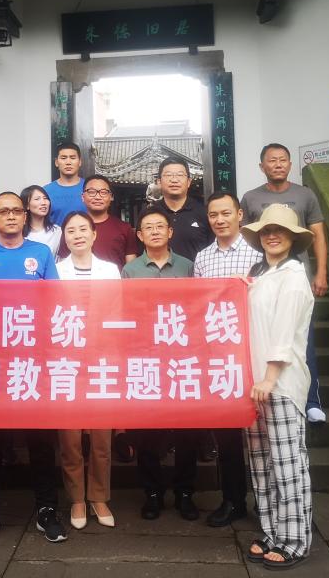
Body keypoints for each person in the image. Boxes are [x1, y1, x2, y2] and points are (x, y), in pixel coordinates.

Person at [0, 192, 67, 547]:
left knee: (41, 440)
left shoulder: (42, 254)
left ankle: (47, 509)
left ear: (25, 217)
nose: (10, 216)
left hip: (34, 360)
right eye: (3, 211)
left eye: (16, 211)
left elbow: (57, 303)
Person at [240, 204, 315, 569]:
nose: (272, 236)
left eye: (280, 231)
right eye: (267, 231)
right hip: (254, 384)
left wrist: (269, 378)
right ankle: (272, 532)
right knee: (261, 463)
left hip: (280, 384)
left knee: (287, 464)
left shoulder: (294, 277)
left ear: (293, 238)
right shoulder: (263, 275)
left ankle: (295, 540)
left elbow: (284, 333)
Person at [121, 207, 201, 521]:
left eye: (160, 226)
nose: (154, 231)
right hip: (145, 357)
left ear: (170, 232)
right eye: (148, 228)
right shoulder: (130, 271)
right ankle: (152, 492)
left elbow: (197, 309)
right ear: (140, 236)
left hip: (181, 358)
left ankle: (185, 492)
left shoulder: (188, 266)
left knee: (187, 431)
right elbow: (125, 312)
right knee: (146, 431)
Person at [240, 143, 328, 423]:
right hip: (266, 274)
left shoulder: (305, 195)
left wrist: (321, 272)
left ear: (290, 164)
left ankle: (311, 400)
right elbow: (246, 238)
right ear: (261, 166)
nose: (277, 164)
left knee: (301, 339)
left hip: (294, 273)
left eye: (282, 160)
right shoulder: (251, 197)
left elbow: (318, 233)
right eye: (271, 160)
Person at [192, 192, 263, 528]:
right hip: (219, 356)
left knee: (261, 434)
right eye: (213, 215)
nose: (219, 220)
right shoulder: (203, 258)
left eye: (225, 213)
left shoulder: (258, 253)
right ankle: (233, 500)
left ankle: (266, 501)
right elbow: (196, 304)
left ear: (239, 214)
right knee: (227, 434)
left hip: (254, 350)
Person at [54, 212, 119, 529]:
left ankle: (99, 496)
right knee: (69, 436)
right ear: (64, 237)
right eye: (71, 230)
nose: (77, 235)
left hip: (102, 359)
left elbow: (118, 313)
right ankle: (77, 498)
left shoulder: (110, 270)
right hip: (66, 361)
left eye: (83, 229)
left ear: (94, 235)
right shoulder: (55, 271)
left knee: (101, 436)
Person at [57, 174, 140, 266]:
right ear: (83, 197)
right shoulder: (71, 228)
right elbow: (62, 264)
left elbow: (131, 268)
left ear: (111, 197)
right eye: (92, 192)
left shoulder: (124, 228)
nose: (97, 197)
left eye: (103, 192)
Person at [153, 156, 212, 261]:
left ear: (189, 182)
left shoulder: (204, 213)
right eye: (168, 175)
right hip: (158, 272)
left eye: (180, 175)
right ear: (159, 182)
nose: (174, 180)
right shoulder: (150, 214)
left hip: (197, 271)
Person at [42, 142, 86, 225]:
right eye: (63, 158)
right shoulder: (45, 191)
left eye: (72, 158)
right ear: (56, 162)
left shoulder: (89, 188)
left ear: (80, 162)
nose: (68, 162)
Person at [21, 184, 62, 256]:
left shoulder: (57, 231)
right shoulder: (19, 234)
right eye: (37, 199)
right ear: (27, 205)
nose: (43, 203)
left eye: (45, 198)